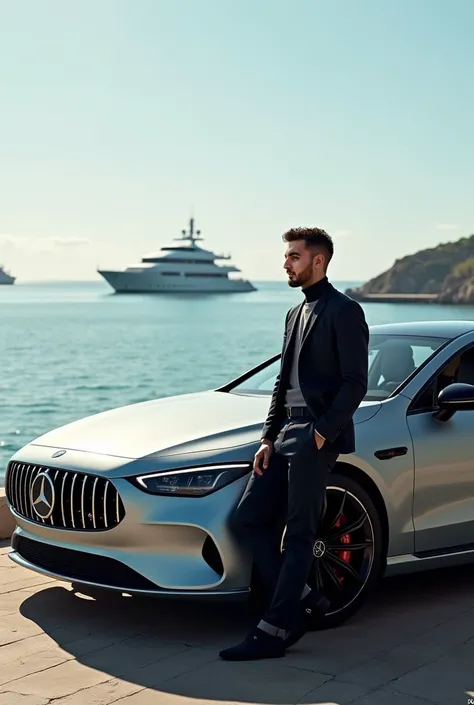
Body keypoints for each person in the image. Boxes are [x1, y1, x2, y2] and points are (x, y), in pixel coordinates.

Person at [219, 226, 369, 661]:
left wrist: (322, 432)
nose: (286, 263)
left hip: (315, 436)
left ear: (318, 260)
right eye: (286, 256)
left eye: (293, 256)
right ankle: (304, 597)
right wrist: (267, 437)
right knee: (249, 518)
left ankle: (276, 629)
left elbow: (355, 383)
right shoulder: (294, 313)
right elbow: (281, 386)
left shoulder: (345, 311)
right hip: (284, 434)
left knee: (300, 533)